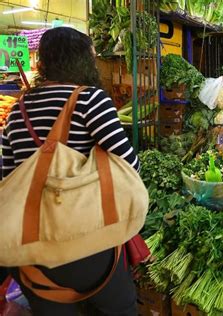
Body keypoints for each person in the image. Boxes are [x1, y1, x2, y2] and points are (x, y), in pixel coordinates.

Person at [1, 27, 139, 315]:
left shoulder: (18, 110)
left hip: (35, 251)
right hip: (88, 243)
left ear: (43, 63)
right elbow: (128, 165)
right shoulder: (91, 100)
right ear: (84, 61)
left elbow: (8, 179)